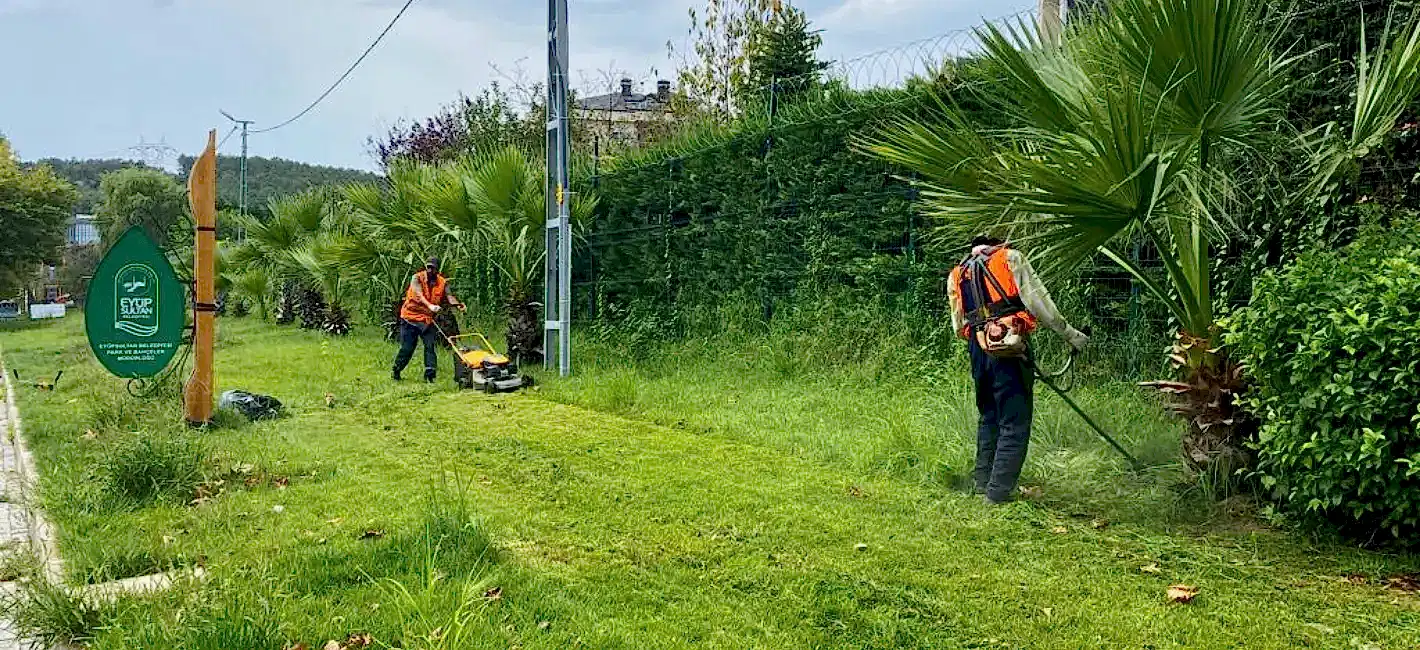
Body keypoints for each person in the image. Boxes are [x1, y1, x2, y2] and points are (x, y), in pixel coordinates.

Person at [949, 236, 1089, 505]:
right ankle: (999, 493)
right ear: (996, 243)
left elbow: (958, 326)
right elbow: (1040, 304)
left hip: (978, 349)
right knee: (1014, 420)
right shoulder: (1010, 258)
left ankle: (982, 483)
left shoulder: (959, 272)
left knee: (989, 415)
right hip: (1010, 347)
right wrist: (1072, 336)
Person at [392, 257, 465, 382]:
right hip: (410, 318)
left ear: (437, 269)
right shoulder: (417, 278)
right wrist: (430, 305)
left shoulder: (442, 282)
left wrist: (458, 305)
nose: (430, 270)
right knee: (408, 348)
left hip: (426, 320)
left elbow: (449, 296)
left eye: (432, 267)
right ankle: (397, 369)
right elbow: (419, 294)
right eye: (428, 267)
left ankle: (430, 376)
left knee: (430, 346)